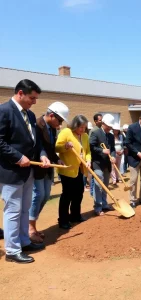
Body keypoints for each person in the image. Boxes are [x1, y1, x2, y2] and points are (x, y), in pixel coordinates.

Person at [0, 80, 50, 264]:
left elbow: (35, 143)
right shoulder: (4, 111)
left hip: (28, 172)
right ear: (20, 93)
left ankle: (23, 241)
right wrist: (18, 157)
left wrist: (43, 155)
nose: (34, 102)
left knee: (24, 209)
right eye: (32, 98)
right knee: (13, 210)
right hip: (11, 172)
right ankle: (12, 250)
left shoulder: (29, 114)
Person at [29, 102, 69, 243]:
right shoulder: (37, 125)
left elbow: (51, 149)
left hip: (48, 168)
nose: (60, 124)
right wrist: (43, 156)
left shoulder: (52, 129)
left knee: (45, 195)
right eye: (59, 120)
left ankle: (31, 225)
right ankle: (30, 229)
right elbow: (36, 146)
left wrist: (57, 160)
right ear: (51, 115)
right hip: (37, 168)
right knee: (37, 196)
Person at [55, 115, 91, 229]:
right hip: (68, 169)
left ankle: (75, 215)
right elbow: (56, 147)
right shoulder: (66, 132)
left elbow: (88, 151)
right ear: (75, 125)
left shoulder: (85, 136)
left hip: (80, 169)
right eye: (81, 127)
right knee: (67, 195)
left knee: (79, 193)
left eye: (84, 127)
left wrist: (88, 160)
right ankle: (63, 220)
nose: (83, 130)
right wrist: (65, 146)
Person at [90, 114, 116, 215]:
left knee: (105, 184)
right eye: (108, 126)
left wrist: (113, 156)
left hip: (107, 164)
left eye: (111, 127)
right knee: (98, 184)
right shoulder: (95, 133)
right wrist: (102, 151)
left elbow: (112, 148)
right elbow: (91, 147)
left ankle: (104, 204)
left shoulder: (110, 135)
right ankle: (98, 207)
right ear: (103, 123)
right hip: (97, 163)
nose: (109, 128)